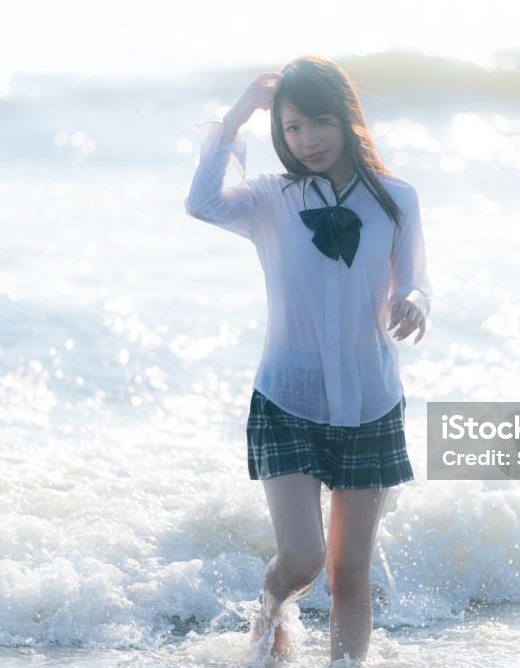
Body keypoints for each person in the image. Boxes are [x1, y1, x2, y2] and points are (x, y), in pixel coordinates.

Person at [184, 55, 432, 665]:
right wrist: (239, 114)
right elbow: (201, 203)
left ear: (347, 119)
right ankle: (268, 619)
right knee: (302, 558)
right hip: (287, 397)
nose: (307, 140)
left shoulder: (396, 198)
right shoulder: (270, 197)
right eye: (292, 129)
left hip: (370, 403)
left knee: (350, 571)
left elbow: (418, 281)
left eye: (319, 123)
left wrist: (414, 302)